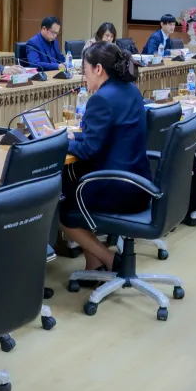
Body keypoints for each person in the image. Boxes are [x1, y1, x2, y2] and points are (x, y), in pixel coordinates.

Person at [58, 42, 151, 273]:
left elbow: (88, 150)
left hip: (116, 188)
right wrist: (73, 136)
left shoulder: (101, 99)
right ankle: (94, 264)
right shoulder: (130, 90)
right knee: (72, 183)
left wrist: (58, 141)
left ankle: (107, 258)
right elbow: (108, 135)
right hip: (138, 183)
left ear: (98, 69)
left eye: (85, 70)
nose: (83, 77)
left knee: (58, 204)